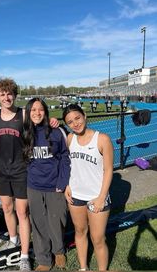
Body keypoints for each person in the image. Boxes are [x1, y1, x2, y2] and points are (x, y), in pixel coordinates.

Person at [0, 78, 59, 271]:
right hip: (2, 172)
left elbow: (40, 123)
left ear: (15, 95)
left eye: (9, 93)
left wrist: (52, 121)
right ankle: (13, 241)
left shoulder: (23, 114)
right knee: (6, 208)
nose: (6, 97)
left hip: (21, 171)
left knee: (22, 212)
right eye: (2, 94)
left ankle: (23, 256)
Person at [62, 104, 113, 271]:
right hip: (75, 195)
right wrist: (67, 185)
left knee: (98, 238)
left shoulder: (102, 139)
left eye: (77, 118)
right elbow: (69, 165)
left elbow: (108, 170)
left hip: (96, 197)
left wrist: (101, 197)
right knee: (80, 232)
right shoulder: (70, 138)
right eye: (70, 122)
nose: (75, 123)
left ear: (84, 115)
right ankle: (83, 268)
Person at [23, 98, 70, 271]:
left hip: (54, 185)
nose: (37, 113)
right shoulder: (25, 132)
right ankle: (44, 259)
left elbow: (65, 157)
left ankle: (58, 251)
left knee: (57, 219)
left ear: (45, 111)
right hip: (34, 185)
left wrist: (62, 181)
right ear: (28, 113)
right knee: (39, 222)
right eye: (33, 110)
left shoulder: (57, 131)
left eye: (40, 109)